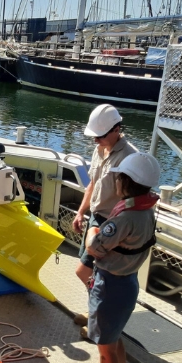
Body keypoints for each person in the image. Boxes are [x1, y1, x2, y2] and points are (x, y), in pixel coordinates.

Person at [83, 152, 161, 363]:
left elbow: (94, 248)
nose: (116, 181)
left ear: (125, 182)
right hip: (128, 284)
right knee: (115, 338)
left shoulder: (125, 218)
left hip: (110, 287)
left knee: (105, 352)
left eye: (119, 178)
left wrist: (93, 231)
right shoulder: (147, 212)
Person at [71, 104, 137, 334]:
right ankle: (97, 315)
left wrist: (120, 231)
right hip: (96, 219)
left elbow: (133, 200)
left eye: (99, 136)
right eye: (94, 137)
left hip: (113, 224)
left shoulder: (131, 158)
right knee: (91, 272)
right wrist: (81, 212)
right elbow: (92, 185)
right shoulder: (99, 150)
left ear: (116, 129)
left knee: (89, 272)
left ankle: (100, 321)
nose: (95, 141)